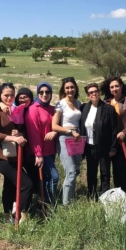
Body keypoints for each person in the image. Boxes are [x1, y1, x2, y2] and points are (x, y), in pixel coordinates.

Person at [0, 83, 32, 223]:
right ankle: (23, 216)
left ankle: (8, 216)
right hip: (0, 156)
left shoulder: (17, 110)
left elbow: (23, 130)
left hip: (15, 155)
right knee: (27, 184)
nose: (9, 98)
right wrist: (13, 137)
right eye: (6, 95)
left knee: (9, 185)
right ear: (0, 96)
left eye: (12, 95)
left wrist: (18, 133)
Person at [80, 83, 117, 199]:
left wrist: (113, 147)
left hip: (104, 146)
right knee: (91, 172)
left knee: (105, 172)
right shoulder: (84, 108)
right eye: (91, 92)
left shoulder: (109, 109)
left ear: (99, 92)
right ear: (88, 95)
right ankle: (91, 194)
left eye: (95, 91)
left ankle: (105, 195)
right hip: (89, 146)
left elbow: (114, 129)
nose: (94, 94)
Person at [100, 76, 126, 192]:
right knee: (108, 166)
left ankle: (125, 188)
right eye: (112, 87)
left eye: (116, 86)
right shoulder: (106, 102)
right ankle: (115, 189)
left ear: (121, 87)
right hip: (109, 140)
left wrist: (124, 132)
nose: (114, 88)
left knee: (120, 164)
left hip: (122, 139)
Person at [25, 82, 59, 206]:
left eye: (47, 92)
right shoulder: (33, 109)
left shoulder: (52, 109)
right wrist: (38, 153)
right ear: (37, 93)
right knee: (54, 177)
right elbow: (33, 133)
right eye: (41, 92)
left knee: (46, 179)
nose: (44, 95)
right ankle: (49, 204)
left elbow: (57, 127)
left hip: (50, 150)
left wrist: (55, 131)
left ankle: (41, 203)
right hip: (40, 151)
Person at [52, 77, 82, 206]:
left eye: (72, 87)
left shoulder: (79, 103)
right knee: (70, 171)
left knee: (76, 170)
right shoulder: (61, 104)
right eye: (67, 88)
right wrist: (70, 131)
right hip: (65, 139)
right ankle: (65, 204)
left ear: (75, 88)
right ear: (64, 90)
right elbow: (54, 126)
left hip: (77, 139)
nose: (70, 90)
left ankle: (72, 198)